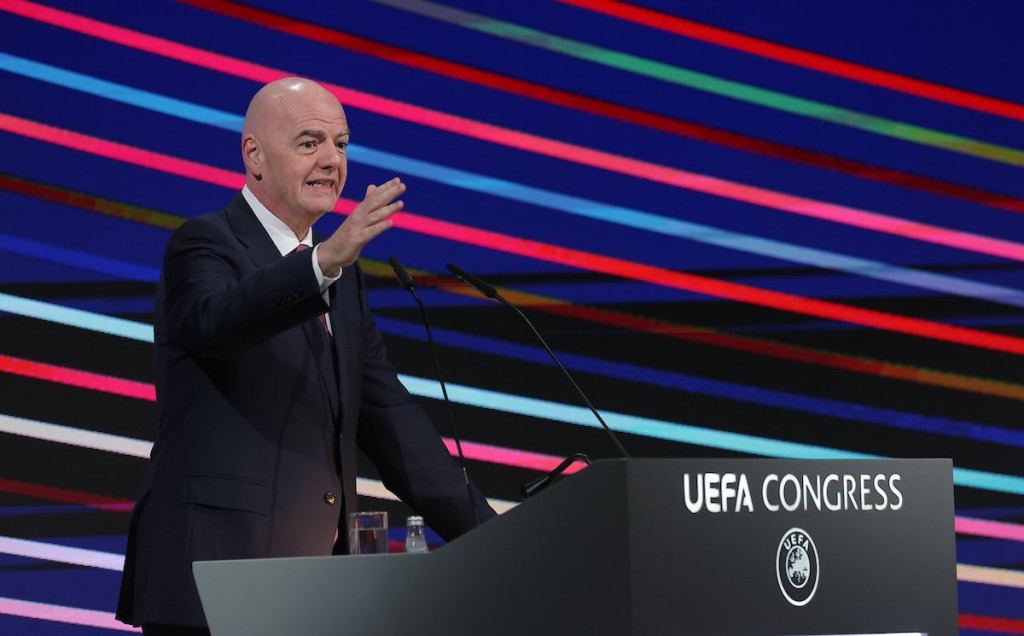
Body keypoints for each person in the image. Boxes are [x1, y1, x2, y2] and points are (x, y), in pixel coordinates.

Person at [115, 77, 495, 635]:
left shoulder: (343, 280)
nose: (332, 161)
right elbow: (219, 323)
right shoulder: (204, 244)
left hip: (315, 593)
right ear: (255, 156)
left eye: (341, 144)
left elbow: (393, 424)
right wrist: (321, 264)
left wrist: (498, 539)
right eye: (309, 142)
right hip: (214, 583)